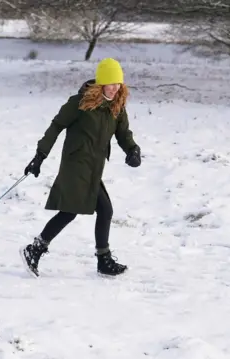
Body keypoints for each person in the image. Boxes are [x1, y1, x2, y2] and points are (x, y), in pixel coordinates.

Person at [21, 57, 142, 277]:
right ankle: (36, 249)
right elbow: (56, 126)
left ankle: (100, 260)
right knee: (74, 211)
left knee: (95, 211)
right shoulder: (80, 103)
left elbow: (123, 133)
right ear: (101, 83)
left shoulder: (116, 106)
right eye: (111, 83)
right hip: (76, 165)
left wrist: (132, 150)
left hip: (94, 167)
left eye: (118, 83)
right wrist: (40, 155)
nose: (115, 88)